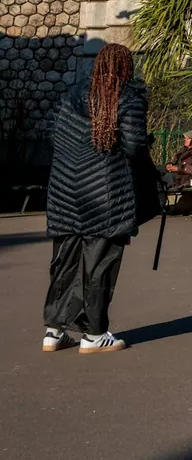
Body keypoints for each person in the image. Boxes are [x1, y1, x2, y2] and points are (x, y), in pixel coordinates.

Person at [42, 42, 158, 354]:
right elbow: (134, 147)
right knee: (100, 263)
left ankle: (53, 331)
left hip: (65, 190)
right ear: (125, 68)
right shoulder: (127, 96)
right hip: (107, 192)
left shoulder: (72, 94)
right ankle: (93, 334)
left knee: (64, 261)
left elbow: (54, 136)